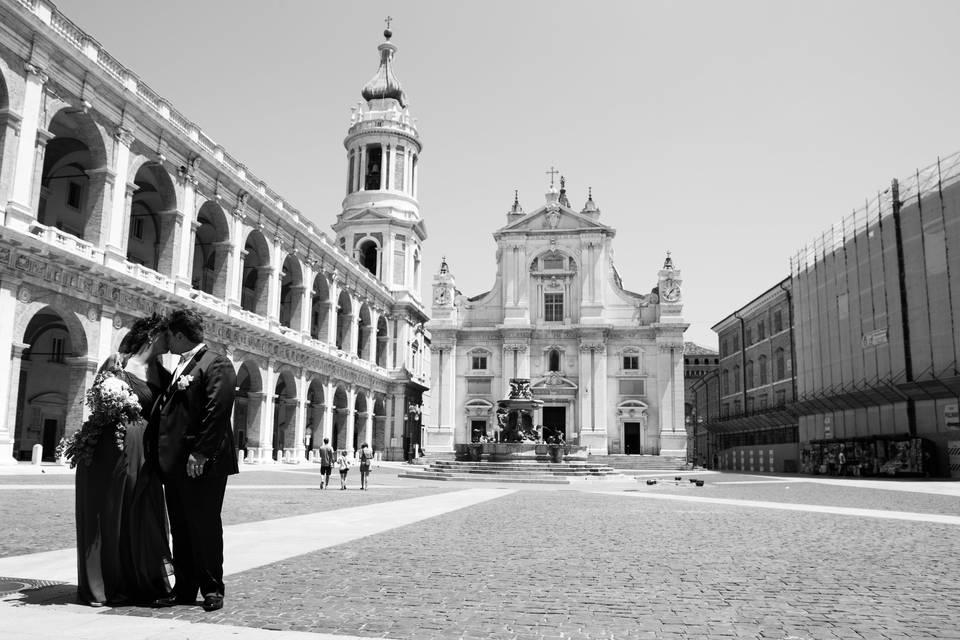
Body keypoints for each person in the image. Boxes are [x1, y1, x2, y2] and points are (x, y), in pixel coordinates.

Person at [74, 313, 174, 607]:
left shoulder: (164, 375)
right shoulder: (117, 363)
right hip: (112, 449)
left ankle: (140, 580)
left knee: (143, 514)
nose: (172, 342)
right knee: (109, 513)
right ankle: (103, 584)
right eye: (168, 336)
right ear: (154, 335)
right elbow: (96, 400)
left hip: (145, 453)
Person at [151, 308, 238, 612]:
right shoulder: (182, 366)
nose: (166, 342)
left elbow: (217, 409)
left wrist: (200, 452)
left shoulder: (217, 362)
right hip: (177, 463)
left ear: (178, 335)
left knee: (205, 526)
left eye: (167, 337)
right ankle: (184, 588)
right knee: (182, 527)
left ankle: (212, 588)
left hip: (204, 462)